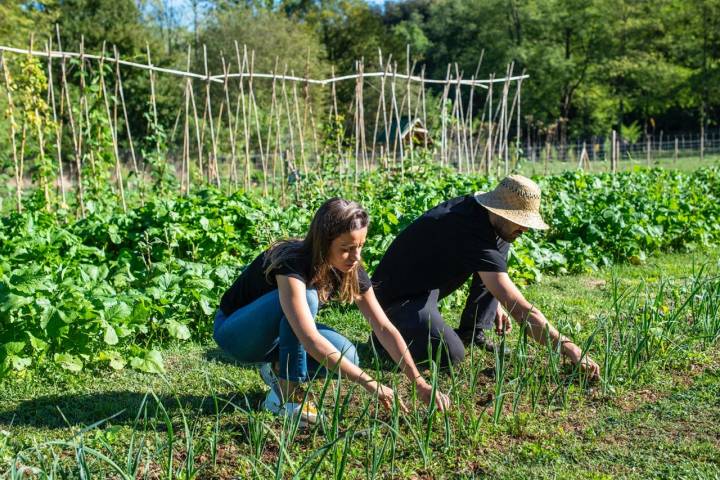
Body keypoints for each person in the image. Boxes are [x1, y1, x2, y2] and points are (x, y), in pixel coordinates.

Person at [214, 198, 450, 426]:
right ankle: (287, 398)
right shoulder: (292, 263)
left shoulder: (350, 268)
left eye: (360, 246)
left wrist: (419, 382)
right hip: (237, 335)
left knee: (349, 356)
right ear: (323, 243)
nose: (356, 257)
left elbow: (383, 327)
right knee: (307, 298)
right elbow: (309, 337)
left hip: (276, 335)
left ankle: (277, 369)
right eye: (346, 248)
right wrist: (370, 383)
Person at [371, 175, 600, 378]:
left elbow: (494, 273)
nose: (525, 229)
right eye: (520, 221)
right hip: (397, 299)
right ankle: (385, 338)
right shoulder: (467, 229)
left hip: (426, 286)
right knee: (451, 354)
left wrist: (497, 301)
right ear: (499, 210)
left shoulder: (484, 216)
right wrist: (571, 349)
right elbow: (520, 309)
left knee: (502, 244)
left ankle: (473, 332)